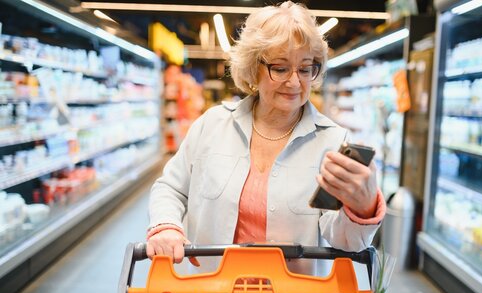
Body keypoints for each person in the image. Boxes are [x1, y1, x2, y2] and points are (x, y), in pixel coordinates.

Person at [146, 1, 386, 273]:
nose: (295, 82)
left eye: (305, 69)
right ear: (253, 68)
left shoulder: (331, 143)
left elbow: (345, 241)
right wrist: (166, 226)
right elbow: (171, 187)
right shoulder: (212, 126)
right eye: (280, 68)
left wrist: (362, 208)